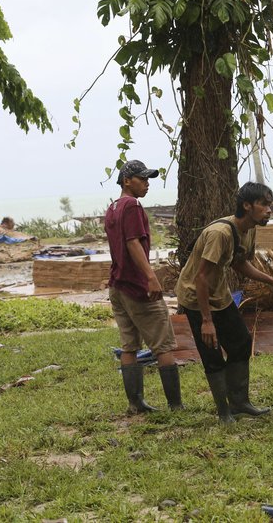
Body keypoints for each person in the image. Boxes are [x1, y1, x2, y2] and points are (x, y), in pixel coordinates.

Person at [175, 182, 273, 424]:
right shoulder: (219, 233)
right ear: (247, 205)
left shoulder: (249, 228)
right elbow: (200, 278)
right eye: (264, 205)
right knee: (211, 352)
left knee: (241, 343)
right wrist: (207, 321)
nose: (269, 210)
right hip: (195, 297)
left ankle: (240, 403)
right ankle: (224, 412)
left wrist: (272, 280)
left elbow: (240, 263)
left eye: (270, 205)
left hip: (219, 294)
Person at [105, 159, 183, 414]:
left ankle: (135, 404)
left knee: (129, 345)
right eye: (142, 179)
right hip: (137, 286)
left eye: (148, 179)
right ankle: (175, 405)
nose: (147, 184)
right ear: (127, 181)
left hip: (117, 284)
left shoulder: (113, 207)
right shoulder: (133, 206)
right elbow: (133, 243)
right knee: (163, 344)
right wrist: (150, 276)